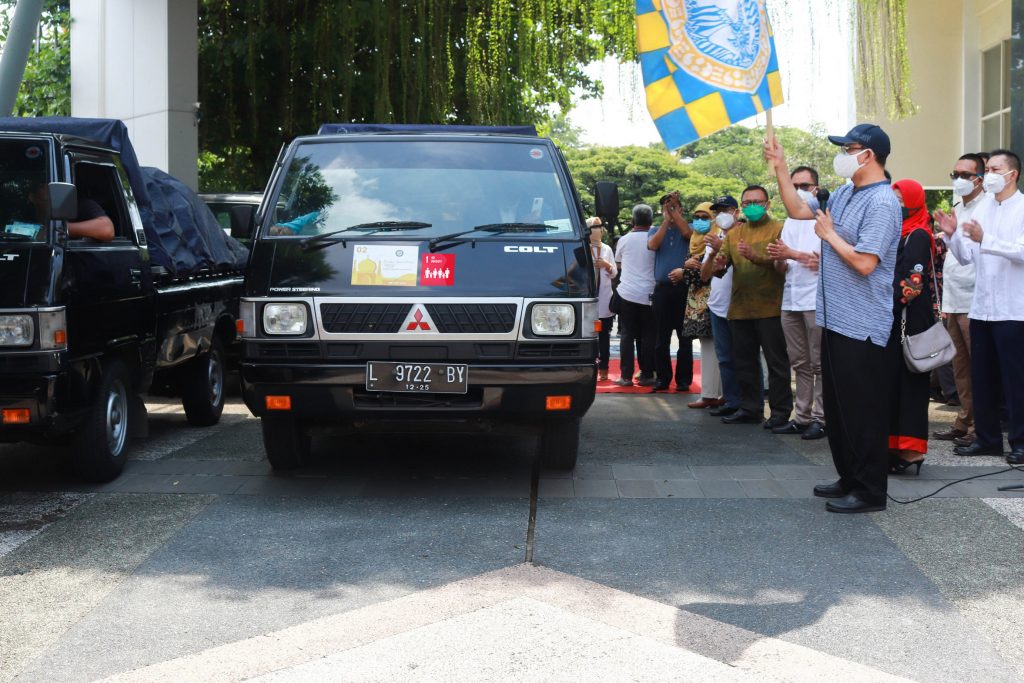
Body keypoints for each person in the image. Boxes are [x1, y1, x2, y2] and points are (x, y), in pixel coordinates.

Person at [766, 123, 901, 514]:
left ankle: (870, 490)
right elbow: (795, 208)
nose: (842, 154)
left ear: (869, 154)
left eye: (849, 147)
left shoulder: (883, 203)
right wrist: (780, 166)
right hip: (834, 318)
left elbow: (864, 262)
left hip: (864, 325)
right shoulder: (843, 193)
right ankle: (849, 476)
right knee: (841, 411)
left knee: (863, 410)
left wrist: (829, 236)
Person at [935, 149, 1024, 464]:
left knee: (1015, 380)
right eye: (987, 169)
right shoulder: (983, 209)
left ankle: (1020, 441)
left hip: (1014, 310)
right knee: (981, 376)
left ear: (1012, 174)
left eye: (995, 168)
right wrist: (951, 237)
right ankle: (987, 439)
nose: (989, 174)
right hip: (982, 306)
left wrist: (986, 240)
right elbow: (966, 256)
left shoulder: (1022, 208)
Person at [704, 185, 792, 428]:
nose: (752, 206)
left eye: (757, 201)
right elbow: (719, 270)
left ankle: (780, 413)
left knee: (776, 364)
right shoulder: (734, 234)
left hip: (771, 307)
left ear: (768, 204)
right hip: (740, 308)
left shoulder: (780, 228)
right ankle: (750, 409)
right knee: (744, 362)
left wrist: (757, 257)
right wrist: (719, 262)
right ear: (741, 207)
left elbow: (781, 265)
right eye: (747, 202)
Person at [766, 166, 826, 440]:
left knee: (818, 363)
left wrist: (791, 253)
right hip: (790, 298)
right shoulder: (790, 221)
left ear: (816, 188)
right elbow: (782, 267)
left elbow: (821, 261)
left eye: (804, 184)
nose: (799, 189)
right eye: (794, 185)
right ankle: (802, 417)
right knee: (799, 362)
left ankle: (821, 418)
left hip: (815, 298)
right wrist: (779, 257)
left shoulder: (824, 218)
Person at [931, 153, 985, 447]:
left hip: (975, 298)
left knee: (979, 367)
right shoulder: (958, 208)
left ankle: (980, 426)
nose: (959, 180)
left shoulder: (987, 208)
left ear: (980, 178)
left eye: (965, 175)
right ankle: (964, 421)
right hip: (953, 298)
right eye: (955, 175)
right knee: (960, 367)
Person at [887, 179, 938, 474]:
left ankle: (912, 452)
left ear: (913, 201)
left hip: (910, 319)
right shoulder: (899, 233)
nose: (895, 203)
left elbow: (913, 283)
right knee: (893, 384)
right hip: (896, 318)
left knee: (911, 385)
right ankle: (895, 446)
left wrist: (890, 307)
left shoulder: (918, 234)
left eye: (899, 198)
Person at [700, 196, 744, 416]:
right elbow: (704, 275)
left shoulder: (745, 234)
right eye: (717, 211)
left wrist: (725, 248)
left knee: (743, 356)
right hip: (718, 306)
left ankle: (747, 403)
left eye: (725, 209)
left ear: (736, 212)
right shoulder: (715, 238)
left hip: (741, 306)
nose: (721, 215)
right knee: (725, 357)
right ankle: (731, 401)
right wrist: (715, 251)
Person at [647, 191, 694, 391]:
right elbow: (653, 245)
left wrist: (676, 215)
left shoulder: (689, 227)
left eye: (674, 206)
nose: (670, 210)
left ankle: (683, 380)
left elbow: (688, 235)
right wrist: (666, 220)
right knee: (661, 337)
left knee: (685, 338)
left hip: (684, 288)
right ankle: (663, 378)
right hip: (662, 290)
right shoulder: (655, 230)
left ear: (681, 209)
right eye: (666, 207)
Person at [679, 202, 723, 408]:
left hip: (711, 301)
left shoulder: (715, 241)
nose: (699, 221)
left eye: (705, 217)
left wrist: (684, 270)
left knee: (714, 347)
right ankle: (712, 393)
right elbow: (692, 274)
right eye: (696, 216)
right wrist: (686, 268)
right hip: (696, 303)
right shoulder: (694, 243)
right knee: (708, 347)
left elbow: (703, 275)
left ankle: (711, 394)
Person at [613, 205, 657, 386]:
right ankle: (647, 375)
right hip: (650, 294)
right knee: (648, 335)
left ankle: (625, 376)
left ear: (633, 221)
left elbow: (618, 264)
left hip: (627, 293)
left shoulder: (624, 240)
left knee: (627, 335)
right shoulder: (655, 239)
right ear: (651, 221)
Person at [28, 183, 115, 241]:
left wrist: (53, 230)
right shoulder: (24, 215)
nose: (49, 188)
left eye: (51, 185)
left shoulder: (81, 206)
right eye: (42, 186)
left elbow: (107, 229)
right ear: (32, 197)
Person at [588, 217, 618, 381]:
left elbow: (614, 273)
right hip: (588, 299)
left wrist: (606, 264)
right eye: (594, 227)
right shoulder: (583, 248)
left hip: (605, 299)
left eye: (600, 227)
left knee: (604, 336)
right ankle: (589, 367)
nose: (598, 230)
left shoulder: (606, 249)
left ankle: (604, 368)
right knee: (589, 335)